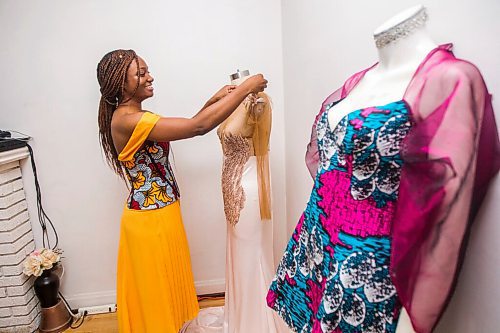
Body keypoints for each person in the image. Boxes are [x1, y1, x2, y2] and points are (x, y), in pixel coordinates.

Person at [267, 5, 499, 333]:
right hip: (318, 241)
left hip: (364, 266)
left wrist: (413, 317)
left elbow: (448, 213)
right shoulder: (359, 81)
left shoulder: (449, 78)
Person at [96, 49, 267, 333]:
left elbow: (189, 124)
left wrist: (215, 99)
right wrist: (247, 87)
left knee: (166, 289)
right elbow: (197, 127)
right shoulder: (127, 120)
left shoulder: (135, 116)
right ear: (120, 84)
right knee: (156, 295)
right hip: (149, 224)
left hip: (161, 215)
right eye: (140, 74)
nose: (150, 77)